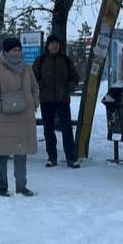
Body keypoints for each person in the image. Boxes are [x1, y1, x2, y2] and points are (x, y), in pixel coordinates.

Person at [0, 37, 39, 197]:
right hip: (4, 117)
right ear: (6, 51)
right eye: (13, 50)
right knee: (1, 153)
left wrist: (34, 103)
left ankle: (21, 186)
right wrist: (0, 106)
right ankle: (2, 187)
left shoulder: (27, 68)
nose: (17, 52)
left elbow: (35, 87)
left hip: (24, 116)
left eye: (18, 49)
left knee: (21, 151)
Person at [32, 33, 81, 169]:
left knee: (67, 129)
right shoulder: (40, 60)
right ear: (47, 46)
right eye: (53, 43)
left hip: (62, 99)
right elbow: (33, 77)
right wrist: (41, 86)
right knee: (48, 129)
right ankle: (51, 157)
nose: (55, 45)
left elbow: (75, 77)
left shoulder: (65, 60)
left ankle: (71, 157)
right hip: (46, 100)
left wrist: (68, 87)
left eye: (57, 43)